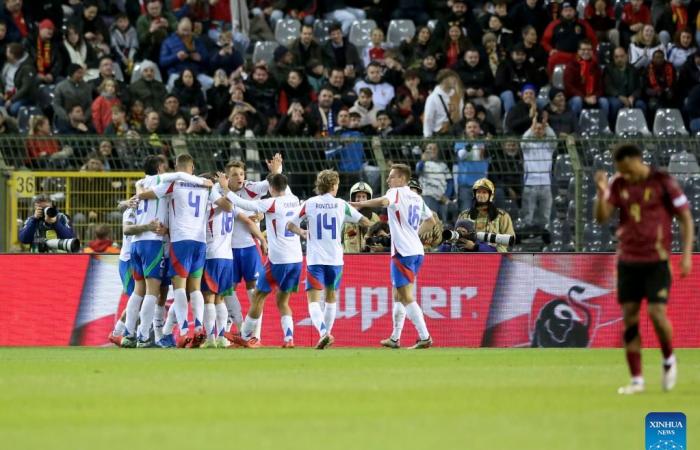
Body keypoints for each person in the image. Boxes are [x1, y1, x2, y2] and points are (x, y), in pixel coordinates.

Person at [594, 143, 693, 394]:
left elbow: (685, 219)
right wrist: (601, 192)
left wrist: (687, 255)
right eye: (619, 170)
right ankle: (637, 380)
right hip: (628, 260)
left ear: (635, 160)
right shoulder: (618, 183)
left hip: (656, 260)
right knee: (629, 318)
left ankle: (669, 359)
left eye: (624, 168)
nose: (622, 174)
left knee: (657, 313)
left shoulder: (663, 181)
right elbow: (602, 217)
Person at [350, 164, 436, 349]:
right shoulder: (417, 197)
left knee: (405, 296)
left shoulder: (395, 192)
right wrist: (414, 234)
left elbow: (382, 203)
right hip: (416, 251)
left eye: (392, 177)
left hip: (403, 253)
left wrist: (360, 203)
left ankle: (424, 336)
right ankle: (395, 338)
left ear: (402, 179)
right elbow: (431, 220)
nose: (388, 180)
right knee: (398, 294)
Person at [135, 154, 215, 349]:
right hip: (200, 241)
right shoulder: (206, 185)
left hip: (180, 240)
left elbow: (145, 195)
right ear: (193, 167)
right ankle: (198, 327)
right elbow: (222, 203)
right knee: (195, 288)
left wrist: (139, 186)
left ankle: (185, 331)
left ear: (177, 166)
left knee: (179, 287)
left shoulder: (173, 184)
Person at [287, 170, 370, 349]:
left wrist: (302, 232)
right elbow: (364, 221)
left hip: (315, 259)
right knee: (331, 297)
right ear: (333, 185)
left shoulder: (309, 203)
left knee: (314, 300)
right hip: (335, 259)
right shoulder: (341, 204)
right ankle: (327, 334)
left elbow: (289, 224)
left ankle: (324, 333)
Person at [224, 173, 301, 348]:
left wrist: (225, 189)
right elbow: (282, 184)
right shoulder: (294, 199)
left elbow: (243, 204)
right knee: (283, 301)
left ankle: (244, 336)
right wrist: (277, 171)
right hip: (296, 259)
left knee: (258, 296)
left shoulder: (271, 203)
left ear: (271, 189)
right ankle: (289, 338)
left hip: (278, 260)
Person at [221, 158, 280, 341]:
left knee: (254, 292)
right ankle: (237, 329)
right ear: (226, 177)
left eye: (241, 173)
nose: (239, 177)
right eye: (234, 175)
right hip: (227, 249)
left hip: (248, 248)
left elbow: (272, 183)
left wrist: (276, 170)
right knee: (227, 291)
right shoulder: (219, 191)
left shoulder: (251, 188)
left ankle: (255, 335)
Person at [456, 178, 515, 252]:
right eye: (478, 192)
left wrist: (481, 247)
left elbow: (510, 239)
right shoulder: (464, 215)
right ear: (474, 194)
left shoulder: (502, 216)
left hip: (494, 256)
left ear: (490, 195)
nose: (481, 195)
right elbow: (457, 237)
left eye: (484, 192)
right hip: (470, 255)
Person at [520, 114, 556, 232]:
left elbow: (554, 139)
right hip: (530, 184)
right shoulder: (527, 146)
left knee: (545, 216)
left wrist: (547, 126)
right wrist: (532, 126)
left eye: (540, 129)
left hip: (546, 184)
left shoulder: (548, 145)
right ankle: (527, 236)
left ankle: (545, 238)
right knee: (528, 215)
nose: (538, 130)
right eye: (536, 128)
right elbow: (524, 140)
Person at [423, 69, 463, 137]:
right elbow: (428, 119)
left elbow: (461, 114)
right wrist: (427, 136)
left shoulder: (457, 96)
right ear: (444, 79)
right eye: (452, 78)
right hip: (440, 133)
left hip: (457, 132)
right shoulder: (433, 98)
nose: (455, 81)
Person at [342, 182, 380, 253]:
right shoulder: (346, 217)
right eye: (358, 196)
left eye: (363, 197)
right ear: (353, 198)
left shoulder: (375, 217)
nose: (361, 200)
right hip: (350, 260)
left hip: (370, 260)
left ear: (368, 199)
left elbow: (380, 243)